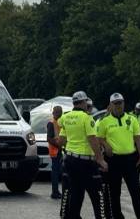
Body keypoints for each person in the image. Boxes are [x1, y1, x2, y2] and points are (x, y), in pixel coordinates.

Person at [58, 91, 110, 219]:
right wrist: (100, 159)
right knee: (98, 195)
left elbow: (61, 141)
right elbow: (92, 139)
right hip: (86, 162)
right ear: (82, 102)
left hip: (70, 160)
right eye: (86, 102)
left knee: (76, 194)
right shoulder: (87, 118)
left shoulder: (66, 117)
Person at [97, 93, 140, 219]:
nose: (118, 106)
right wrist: (105, 144)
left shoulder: (132, 119)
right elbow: (98, 138)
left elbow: (138, 139)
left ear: (124, 103)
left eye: (120, 103)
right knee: (114, 194)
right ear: (111, 105)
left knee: (136, 193)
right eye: (115, 103)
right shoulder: (104, 122)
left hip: (131, 160)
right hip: (113, 161)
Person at [47, 105, 64, 199]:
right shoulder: (51, 123)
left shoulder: (59, 121)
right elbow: (49, 138)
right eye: (58, 112)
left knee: (58, 172)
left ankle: (56, 191)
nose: (60, 114)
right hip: (55, 151)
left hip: (59, 150)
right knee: (55, 172)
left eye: (60, 112)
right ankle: (54, 192)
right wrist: (59, 145)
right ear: (54, 113)